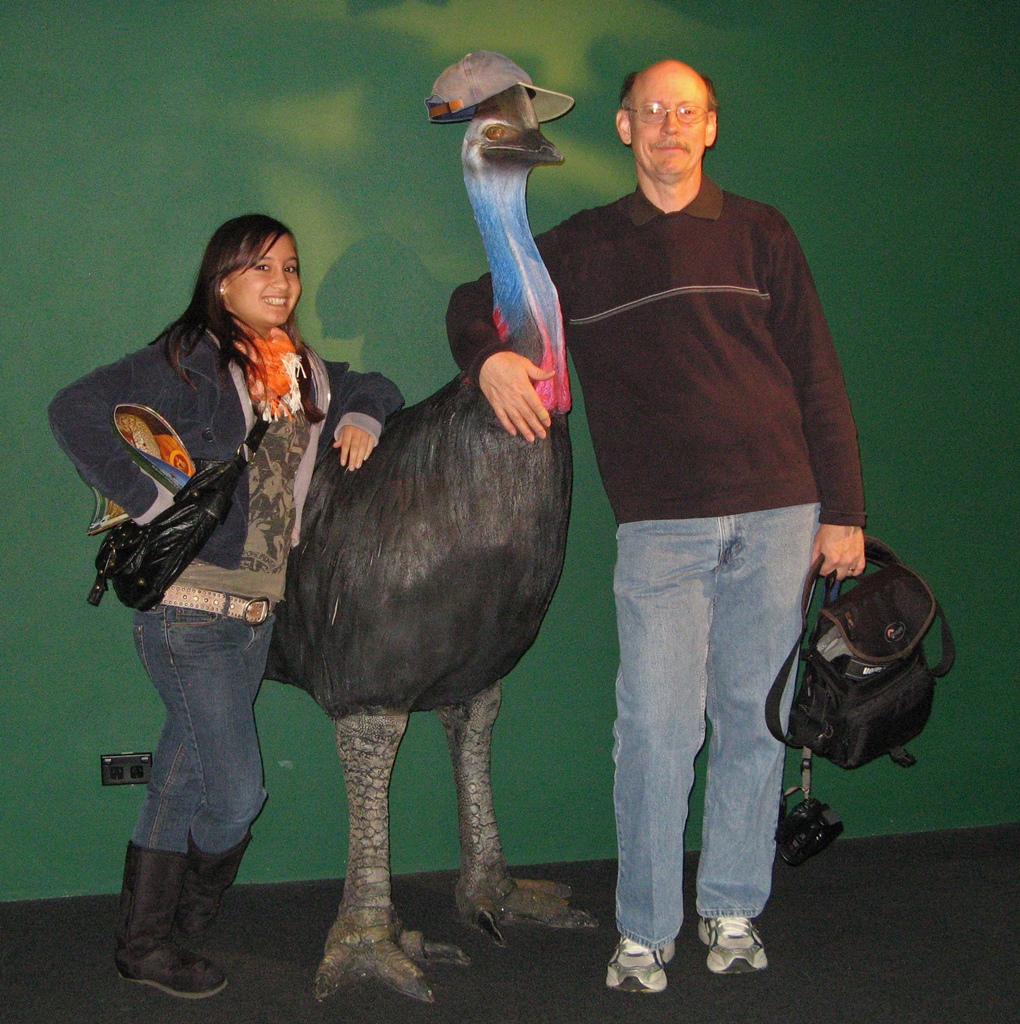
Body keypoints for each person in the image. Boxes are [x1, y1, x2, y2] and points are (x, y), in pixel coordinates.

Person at [446, 60, 866, 990]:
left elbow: (819, 376)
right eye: (651, 111)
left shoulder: (762, 232)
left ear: (710, 127)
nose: (670, 125)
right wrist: (489, 363)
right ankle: (644, 928)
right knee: (653, 731)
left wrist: (843, 513)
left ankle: (731, 907)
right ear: (627, 129)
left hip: (779, 517)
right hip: (662, 535)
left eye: (688, 110)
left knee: (755, 726)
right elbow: (472, 302)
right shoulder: (587, 246)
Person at [49, 214, 403, 998]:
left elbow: (374, 383)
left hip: (256, 618)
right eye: (261, 268)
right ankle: (185, 928)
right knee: (239, 793)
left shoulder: (302, 368)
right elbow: (75, 408)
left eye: (291, 267)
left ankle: (146, 944)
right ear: (222, 281)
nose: (281, 283)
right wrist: (148, 502)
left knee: (179, 777)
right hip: (189, 613)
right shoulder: (189, 360)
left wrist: (359, 413)